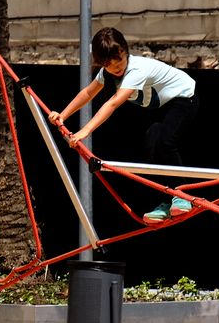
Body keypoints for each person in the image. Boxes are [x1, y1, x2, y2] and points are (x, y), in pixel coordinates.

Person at [48, 27, 199, 224]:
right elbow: (87, 93)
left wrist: (85, 130)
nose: (116, 67)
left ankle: (183, 197)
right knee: (152, 146)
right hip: (162, 104)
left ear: (125, 51)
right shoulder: (106, 73)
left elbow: (113, 103)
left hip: (184, 98)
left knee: (164, 142)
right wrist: (63, 115)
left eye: (118, 59)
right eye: (108, 64)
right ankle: (170, 200)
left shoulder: (136, 69)